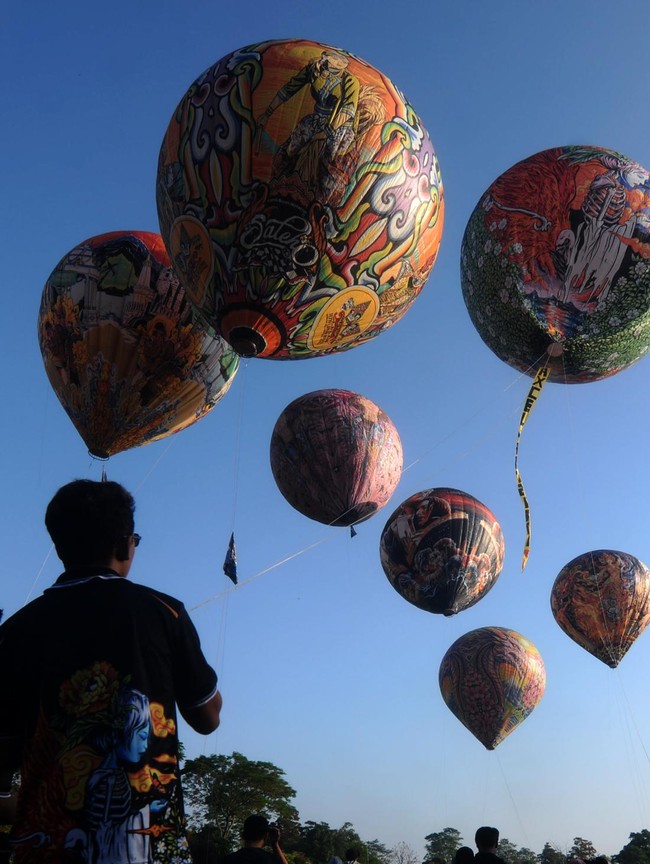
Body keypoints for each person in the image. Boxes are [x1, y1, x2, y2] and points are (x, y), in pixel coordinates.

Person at [0, 479, 222, 864]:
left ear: (59, 545)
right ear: (124, 544)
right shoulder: (163, 612)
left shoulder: (15, 632)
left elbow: (4, 748)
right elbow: (207, 718)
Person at [221, 814, 289, 864]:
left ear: (243, 835)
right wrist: (275, 844)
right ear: (266, 836)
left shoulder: (228, 859)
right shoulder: (270, 860)